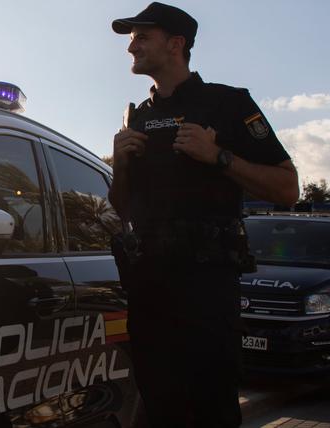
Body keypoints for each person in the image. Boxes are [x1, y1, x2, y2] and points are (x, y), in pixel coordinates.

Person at [108, 3, 299, 427]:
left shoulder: (228, 104)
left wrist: (218, 157)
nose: (131, 47)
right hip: (148, 287)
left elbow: (288, 188)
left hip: (206, 288)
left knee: (210, 406)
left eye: (142, 37)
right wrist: (120, 164)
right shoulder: (137, 115)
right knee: (157, 405)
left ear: (176, 44)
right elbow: (123, 207)